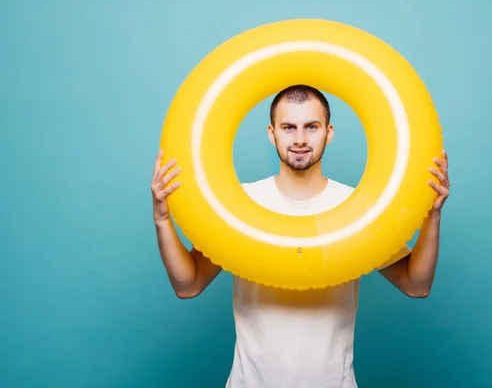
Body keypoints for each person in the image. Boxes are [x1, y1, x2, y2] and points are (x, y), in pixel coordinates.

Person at [150, 85, 450, 388]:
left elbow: (416, 285)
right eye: (288, 127)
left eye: (312, 127)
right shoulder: (240, 205)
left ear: (328, 132)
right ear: (272, 133)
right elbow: (188, 285)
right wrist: (162, 219)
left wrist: (432, 215)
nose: (300, 139)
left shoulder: (358, 210)